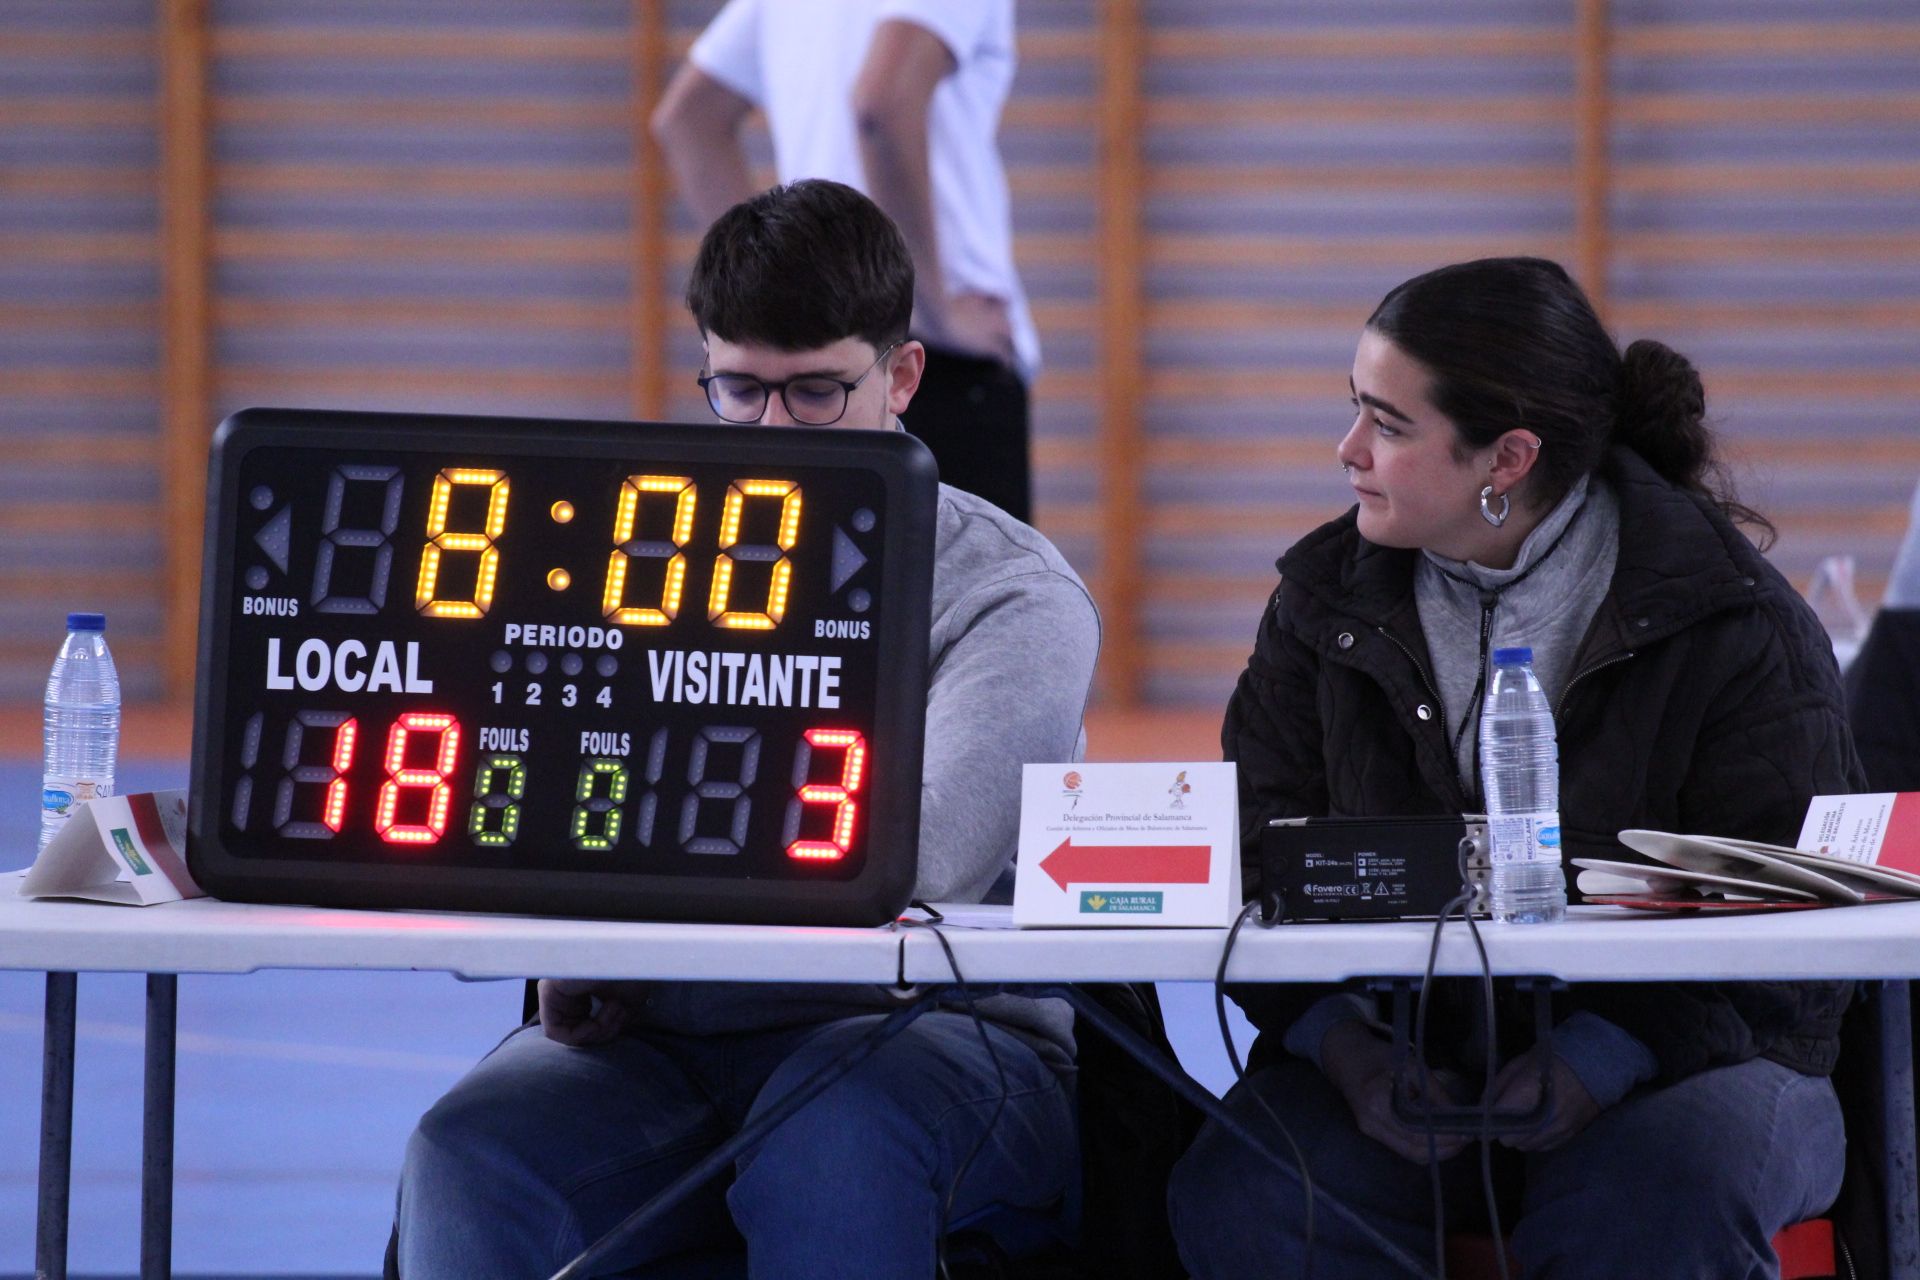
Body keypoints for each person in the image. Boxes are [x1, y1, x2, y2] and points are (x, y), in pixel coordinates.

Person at [394, 180, 1099, 1278]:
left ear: (901, 374)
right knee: (467, 1148)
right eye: (739, 390)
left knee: (831, 1145)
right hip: (663, 1039)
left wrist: (631, 911)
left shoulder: (1015, 595)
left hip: (944, 1039)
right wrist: (583, 944)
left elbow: (900, 861)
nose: (773, 432)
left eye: (817, 392)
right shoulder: (636, 569)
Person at [1167, 257, 1860, 1279]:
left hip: (1701, 1063)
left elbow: (1793, 908)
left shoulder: (1734, 617)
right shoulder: (1320, 604)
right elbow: (1260, 850)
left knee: (1651, 1195)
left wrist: (1602, 1056)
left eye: (1388, 426)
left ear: (1507, 457)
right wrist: (1348, 1051)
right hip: (1399, 1062)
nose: (1347, 450)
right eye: (1354, 409)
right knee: (1253, 1186)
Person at [650, 0, 1037, 522]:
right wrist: (933, 305)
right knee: (970, 592)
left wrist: (767, 286)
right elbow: (882, 101)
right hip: (931, 361)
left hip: (821, 354)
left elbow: (687, 118)